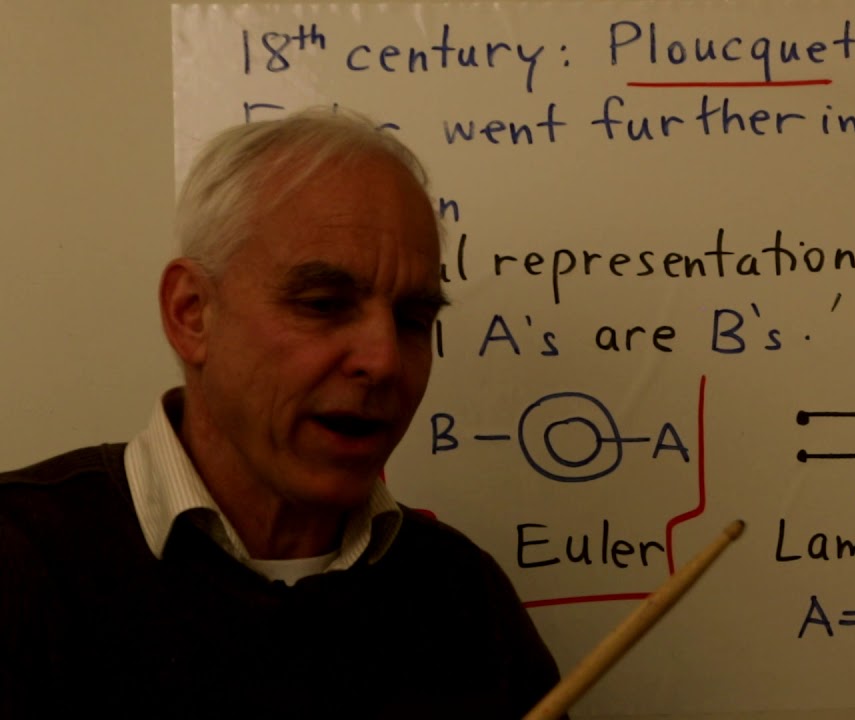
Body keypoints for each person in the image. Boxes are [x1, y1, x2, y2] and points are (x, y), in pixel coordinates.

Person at [0, 108, 562, 717]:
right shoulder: (22, 557)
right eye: (324, 304)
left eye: (413, 320)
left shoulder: (464, 596)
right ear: (192, 313)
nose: (384, 361)